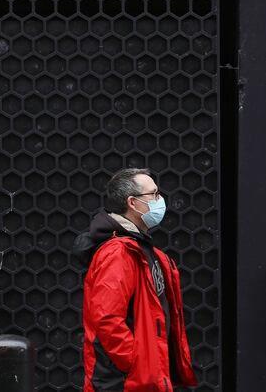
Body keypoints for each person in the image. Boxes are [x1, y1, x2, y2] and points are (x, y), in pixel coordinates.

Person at [75, 168, 197, 392]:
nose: (160, 200)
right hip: (124, 382)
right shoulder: (118, 253)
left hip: (141, 378)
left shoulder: (139, 249)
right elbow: (107, 319)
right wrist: (137, 362)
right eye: (154, 194)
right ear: (132, 202)